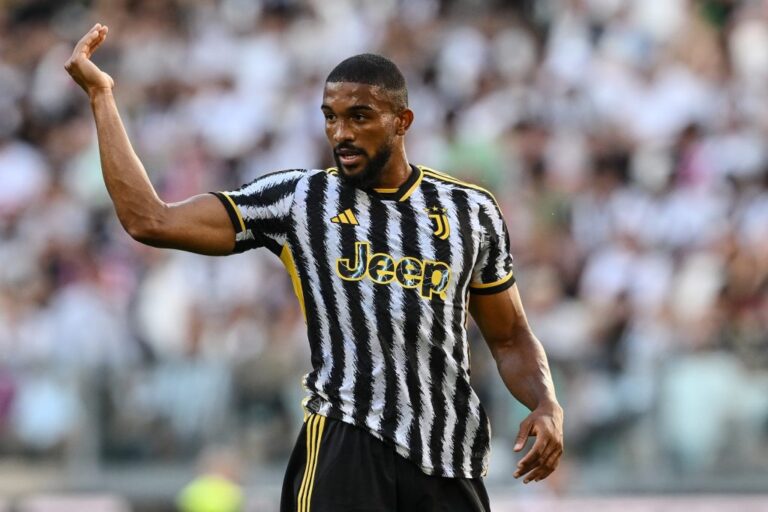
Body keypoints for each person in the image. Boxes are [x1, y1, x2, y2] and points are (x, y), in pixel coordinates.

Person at [65, 23, 564, 512]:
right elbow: (150, 220)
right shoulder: (299, 199)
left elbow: (509, 336)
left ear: (402, 121)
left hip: (446, 455)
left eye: (360, 116)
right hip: (346, 445)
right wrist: (101, 98)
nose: (341, 133)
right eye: (331, 117)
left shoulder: (470, 211)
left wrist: (545, 402)